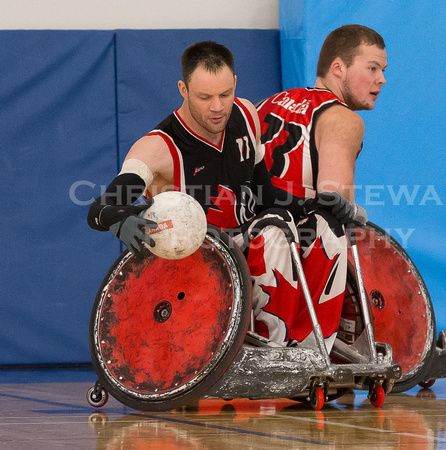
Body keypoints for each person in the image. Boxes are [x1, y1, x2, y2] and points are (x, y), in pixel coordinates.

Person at [87, 41, 353, 347]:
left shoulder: (247, 114)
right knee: (273, 228)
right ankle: (272, 353)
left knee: (326, 226)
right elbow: (101, 206)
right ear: (183, 90)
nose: (217, 107)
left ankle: (311, 350)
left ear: (236, 84)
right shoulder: (157, 148)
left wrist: (313, 205)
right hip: (197, 260)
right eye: (205, 97)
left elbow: (264, 194)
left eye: (225, 94)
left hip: (247, 240)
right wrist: (119, 220)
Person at [253, 25, 387, 351]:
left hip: (247, 236)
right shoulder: (343, 119)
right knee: (333, 225)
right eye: (372, 68)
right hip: (292, 245)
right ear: (338, 67)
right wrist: (354, 211)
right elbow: (333, 199)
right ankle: (309, 352)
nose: (381, 80)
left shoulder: (263, 104)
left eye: (383, 70)